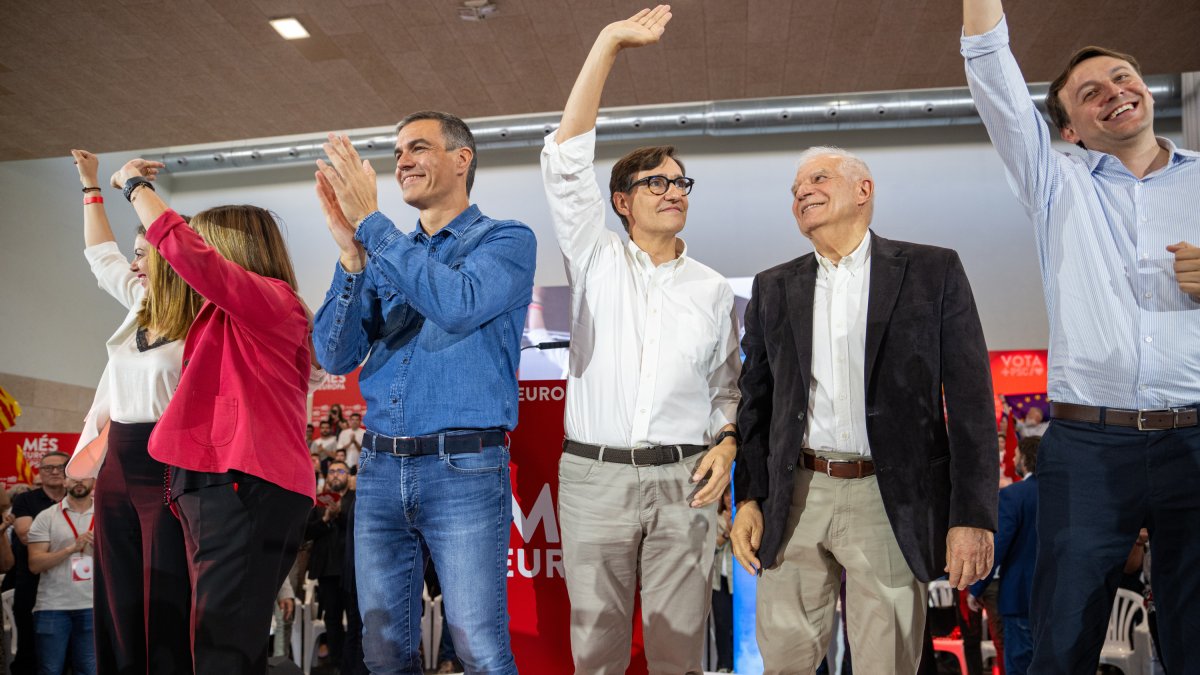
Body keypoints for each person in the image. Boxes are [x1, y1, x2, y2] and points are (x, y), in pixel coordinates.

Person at [961, 1, 1200, 670]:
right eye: (1091, 93)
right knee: (1062, 633)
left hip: (1197, 435)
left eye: (1124, 78)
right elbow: (989, 67)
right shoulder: (1054, 183)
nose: (1115, 94)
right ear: (1070, 127)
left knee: (1196, 632)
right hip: (1090, 446)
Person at [730, 147, 997, 674]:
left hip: (890, 497)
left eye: (818, 178)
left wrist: (971, 516)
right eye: (795, 188)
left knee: (888, 664)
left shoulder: (932, 270)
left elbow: (970, 402)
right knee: (785, 662)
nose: (801, 191)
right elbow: (755, 402)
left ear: (863, 190)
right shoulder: (773, 286)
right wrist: (749, 498)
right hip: (796, 495)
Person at [540, 7, 741, 673]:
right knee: (595, 646)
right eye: (656, 181)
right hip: (593, 475)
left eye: (681, 181)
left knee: (678, 649)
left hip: (685, 479)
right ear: (622, 201)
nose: (674, 191)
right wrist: (608, 45)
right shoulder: (594, 257)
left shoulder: (714, 288)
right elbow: (567, 163)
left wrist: (731, 439)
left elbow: (726, 391)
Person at [312, 111, 535, 674]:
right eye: (397, 153)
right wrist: (350, 256)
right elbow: (333, 354)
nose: (402, 161)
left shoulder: (506, 240)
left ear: (462, 159)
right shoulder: (384, 252)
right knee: (383, 650)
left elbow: (457, 303)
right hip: (382, 468)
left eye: (417, 147)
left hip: (465, 466)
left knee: (479, 647)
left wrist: (372, 223)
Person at [111, 160, 317, 674]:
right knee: (221, 638)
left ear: (229, 251)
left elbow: (189, 256)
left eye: (200, 247)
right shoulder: (227, 317)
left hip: (243, 484)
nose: (172, 263)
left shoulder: (273, 302)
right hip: (223, 485)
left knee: (222, 644)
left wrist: (136, 188)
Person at [67, 149, 197, 675]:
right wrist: (90, 185)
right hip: (118, 463)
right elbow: (101, 255)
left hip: (170, 464)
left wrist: (135, 190)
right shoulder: (139, 304)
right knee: (118, 589)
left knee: (167, 587)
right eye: (136, 253)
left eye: (146, 252)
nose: (135, 262)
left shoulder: (204, 323)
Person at [970, 436, 1039, 675]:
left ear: (1026, 459)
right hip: (1060, 600)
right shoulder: (1064, 496)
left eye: (1016, 454)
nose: (1012, 458)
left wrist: (977, 588)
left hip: (1021, 598)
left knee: (1020, 667)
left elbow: (997, 548)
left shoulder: (1014, 495)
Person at [26, 476, 97, 675]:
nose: (79, 482)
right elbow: (34, 564)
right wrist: (71, 549)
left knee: (90, 670)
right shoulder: (46, 517)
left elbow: (122, 559)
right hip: (52, 606)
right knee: (50, 670)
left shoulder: (105, 514)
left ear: (93, 482)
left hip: (93, 605)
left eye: (84, 478)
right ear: (65, 482)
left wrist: (102, 547)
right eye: (74, 478)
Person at [10, 453, 71, 674]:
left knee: (74, 655)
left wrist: (46, 540)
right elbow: (26, 536)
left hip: (73, 588)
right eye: (48, 468)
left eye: (61, 467)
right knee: (31, 651)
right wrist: (73, 539)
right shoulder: (25, 500)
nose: (55, 472)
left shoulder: (78, 497)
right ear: (40, 472)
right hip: (32, 586)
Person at [304, 460, 352, 667]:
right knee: (331, 621)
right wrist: (325, 519)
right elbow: (306, 532)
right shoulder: (318, 501)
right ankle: (337, 665)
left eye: (340, 471)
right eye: (332, 471)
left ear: (348, 476)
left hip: (351, 570)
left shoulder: (355, 499)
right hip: (326, 570)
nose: (335, 475)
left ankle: (353, 667)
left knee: (355, 621)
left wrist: (339, 515)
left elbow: (355, 527)